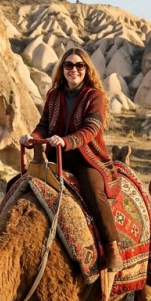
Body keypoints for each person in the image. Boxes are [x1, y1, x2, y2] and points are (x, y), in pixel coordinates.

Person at [23, 47, 123, 279]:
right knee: (18, 184)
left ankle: (111, 247)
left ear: (87, 69)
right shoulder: (54, 95)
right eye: (69, 65)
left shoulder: (94, 96)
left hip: (86, 158)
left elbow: (91, 129)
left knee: (93, 192)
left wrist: (67, 141)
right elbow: (44, 126)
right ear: (62, 69)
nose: (74, 70)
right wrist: (32, 138)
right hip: (54, 156)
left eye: (79, 65)